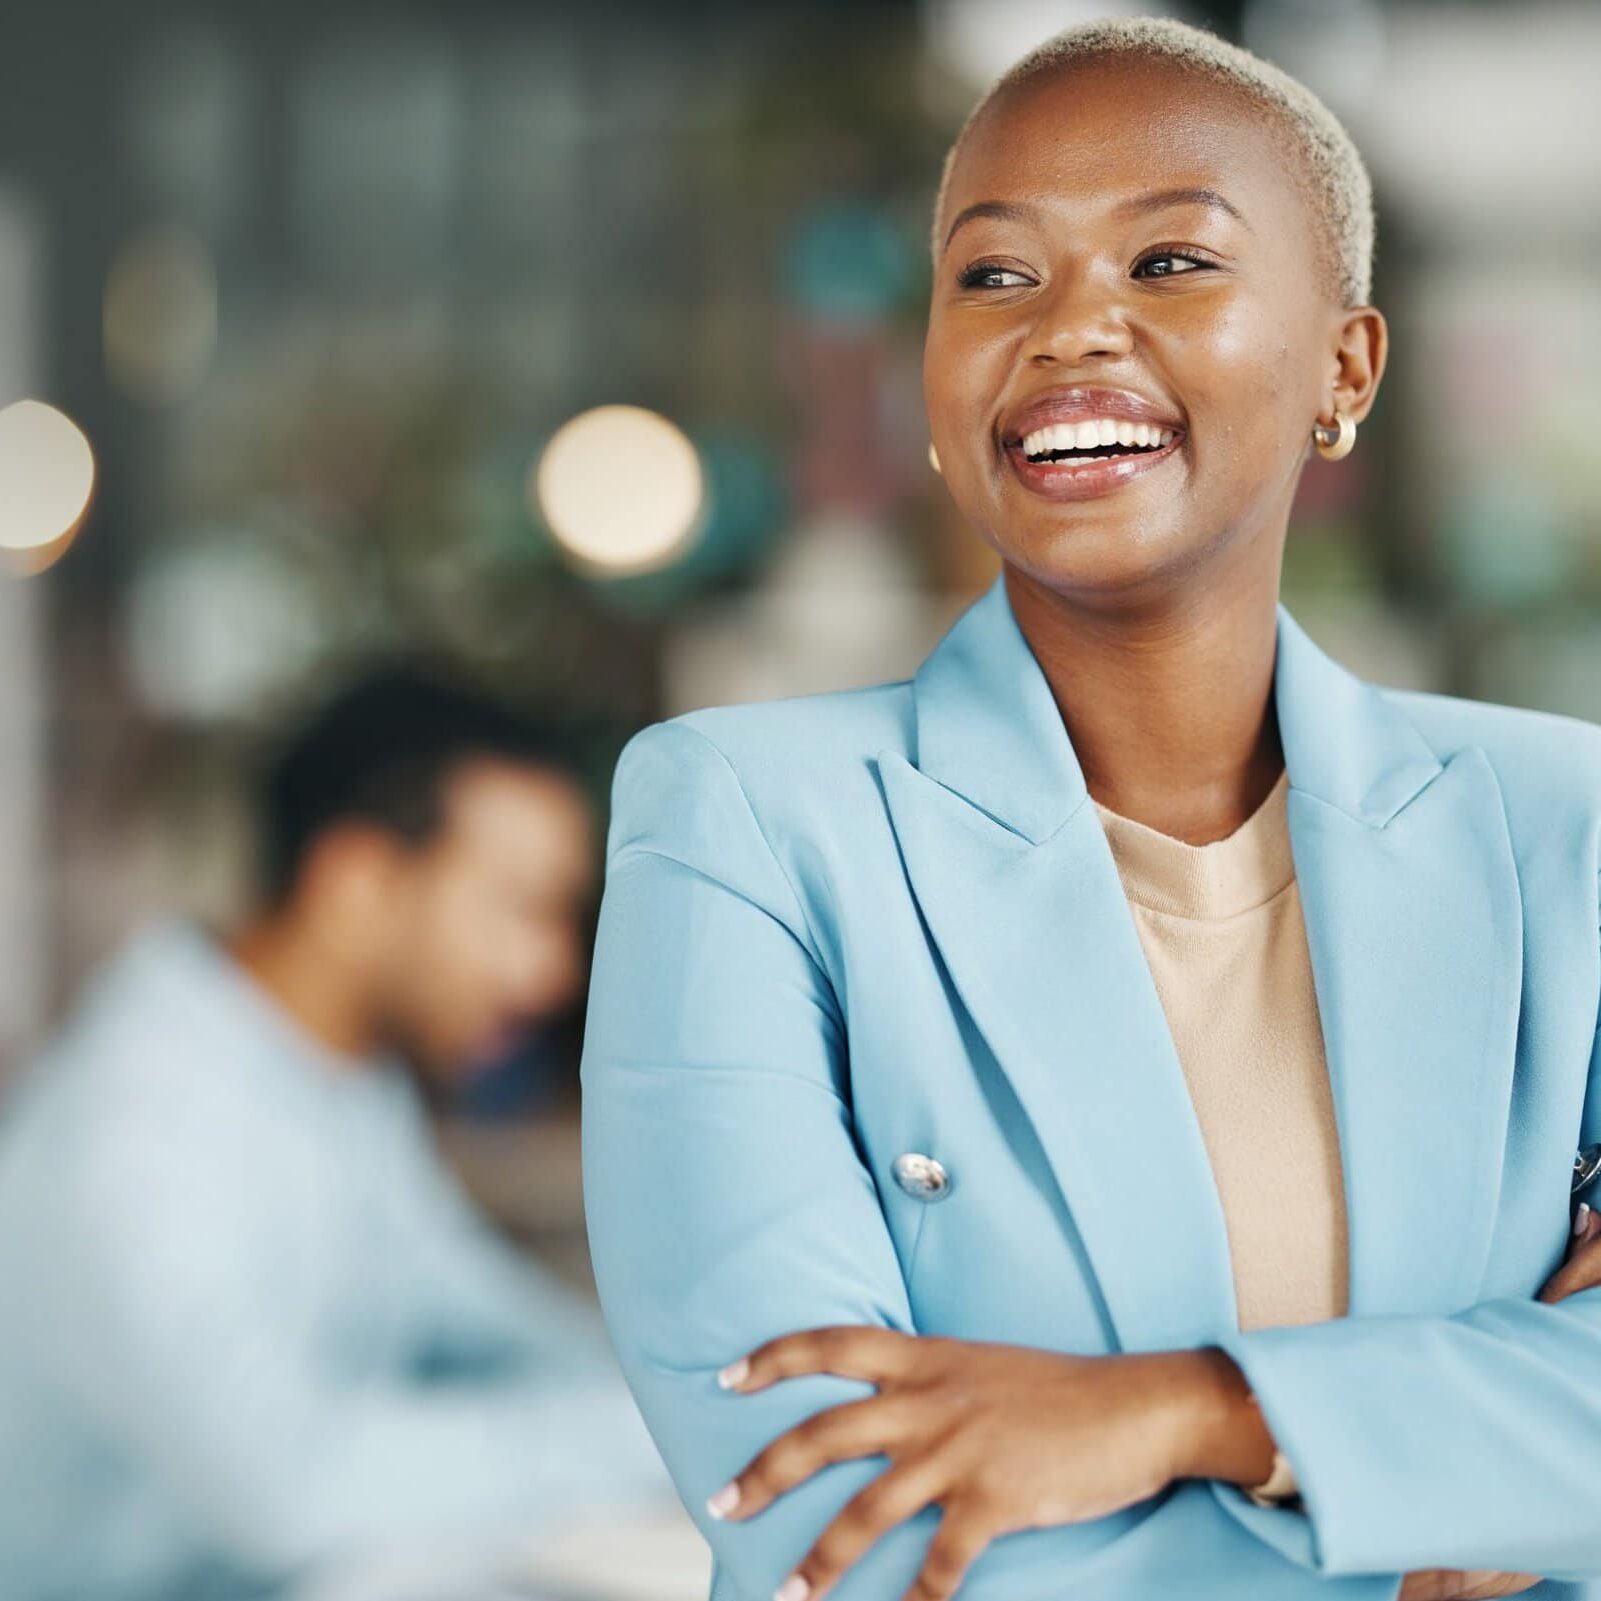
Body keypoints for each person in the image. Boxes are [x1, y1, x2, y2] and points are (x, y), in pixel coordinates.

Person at [580, 17, 1601, 1601]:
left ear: (1346, 364)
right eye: (994, 278)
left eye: (1172, 263)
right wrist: (1437, 1472)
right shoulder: (742, 827)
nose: (1070, 331)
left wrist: (1178, 1412)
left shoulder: (1571, 832)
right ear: (927, 385)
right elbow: (831, 1514)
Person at [0, 665, 672, 1601]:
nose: (554, 970)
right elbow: (289, 1487)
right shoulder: (136, 1129)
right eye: (521, 907)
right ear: (355, 882)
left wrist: (704, 1388)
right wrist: (663, 1431)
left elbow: (479, 1317)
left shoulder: (333, 1079)